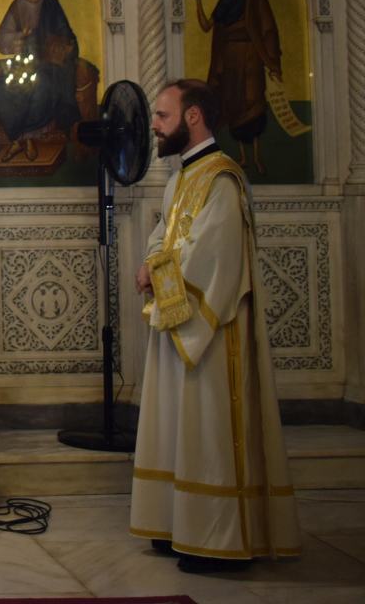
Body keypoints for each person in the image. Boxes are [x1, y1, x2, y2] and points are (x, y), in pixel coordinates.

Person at [130, 79, 300, 573]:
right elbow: (163, 236)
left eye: (163, 116)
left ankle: (216, 541)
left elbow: (213, 261)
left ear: (194, 117)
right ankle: (176, 525)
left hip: (211, 334)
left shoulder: (223, 180)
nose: (155, 126)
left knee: (208, 434)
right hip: (176, 324)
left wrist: (158, 274)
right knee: (177, 429)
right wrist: (150, 264)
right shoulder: (180, 178)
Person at [187, 0, 282, 175]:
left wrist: (271, 60)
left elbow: (268, 29)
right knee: (234, 103)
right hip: (229, 57)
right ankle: (242, 156)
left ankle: (257, 156)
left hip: (251, 55)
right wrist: (198, 1)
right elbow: (207, 25)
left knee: (253, 99)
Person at [0, 0, 81, 163]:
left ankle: (25, 138)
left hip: (48, 64)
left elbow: (65, 34)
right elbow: (2, 38)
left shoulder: (52, 5)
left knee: (41, 88)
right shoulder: (18, 5)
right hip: (24, 62)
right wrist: (20, 36)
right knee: (0, 88)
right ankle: (18, 139)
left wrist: (59, 46)